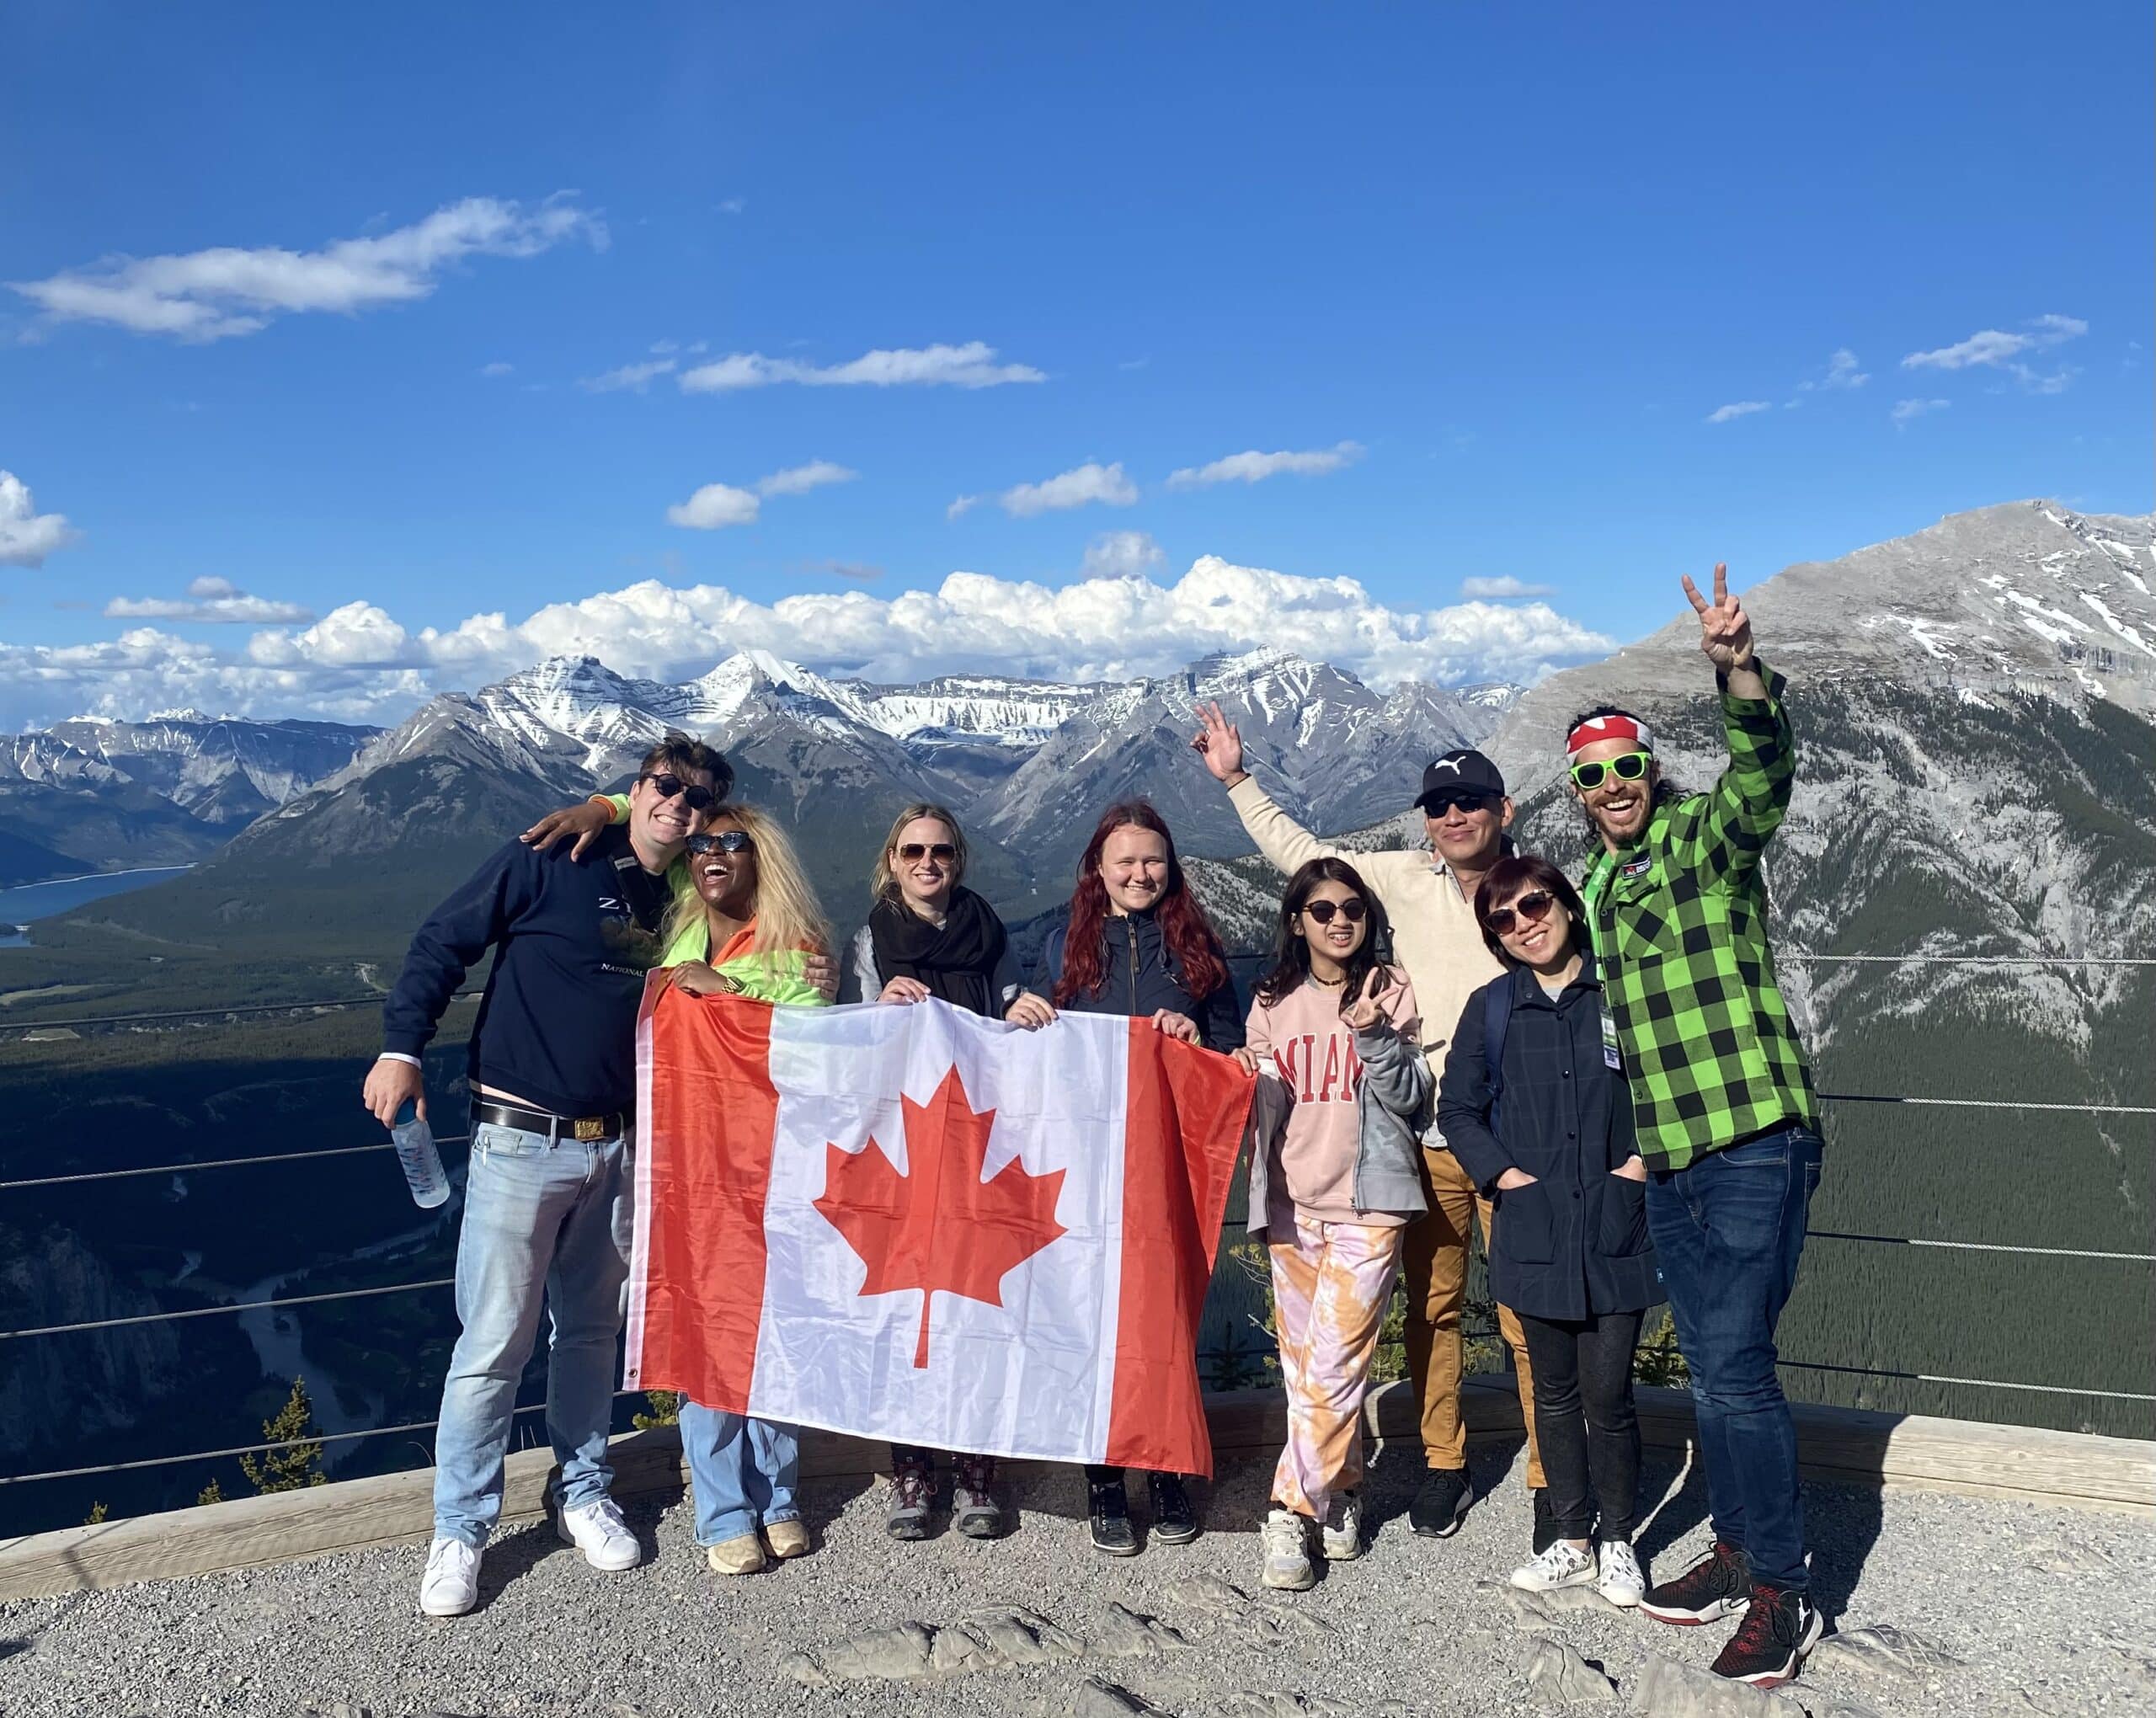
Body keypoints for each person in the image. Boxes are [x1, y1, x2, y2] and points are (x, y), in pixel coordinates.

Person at [362, 733, 724, 1619]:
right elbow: (443, 941)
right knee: (492, 1345)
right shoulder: (549, 856)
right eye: (661, 788)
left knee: (591, 1333)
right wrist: (401, 1047)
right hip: (520, 1137)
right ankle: (460, 1529)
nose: (675, 806)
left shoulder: (682, 891)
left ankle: (582, 1489)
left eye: (694, 799)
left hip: (623, 1142)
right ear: (634, 788)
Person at [1192, 707, 1549, 1548]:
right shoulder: (1400, 877)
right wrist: (1237, 781)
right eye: (1438, 804)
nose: (1453, 815)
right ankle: (1442, 1462)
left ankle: (1549, 1475)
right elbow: (1304, 860)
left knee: (1528, 1312)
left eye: (1470, 800)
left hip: (1522, 1126)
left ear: (1504, 810)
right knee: (1431, 1308)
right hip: (1427, 1127)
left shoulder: (1532, 894)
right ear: (1426, 822)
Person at [1569, 565, 1824, 1689]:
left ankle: (1781, 1581)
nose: (1616, 785)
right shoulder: (1588, 887)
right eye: (1595, 775)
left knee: (1734, 1369)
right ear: (1576, 791)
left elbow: (1763, 776)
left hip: (1755, 1141)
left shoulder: (1702, 845)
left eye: (1628, 766)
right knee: (1721, 1376)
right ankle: (1733, 1547)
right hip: (1669, 1160)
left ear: (1650, 769)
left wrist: (1735, 669)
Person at [1005, 798, 1242, 1555]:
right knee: (1090, 1322)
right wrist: (1023, 1017)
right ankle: (1104, 1476)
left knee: (1164, 1320)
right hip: (1082, 1164)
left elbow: (1234, 1051)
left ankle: (1164, 1465)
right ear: (1098, 871)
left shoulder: (1197, 946)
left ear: (1170, 869)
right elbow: (1027, 1056)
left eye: (1153, 861)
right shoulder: (1060, 946)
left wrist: (1196, 1036)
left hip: (1166, 1163)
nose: (1141, 874)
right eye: (1126, 862)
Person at [1437, 854, 1660, 1611]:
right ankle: (1572, 1538)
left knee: (1610, 1394)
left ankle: (1621, 1539)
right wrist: (1502, 1177)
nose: (1524, 924)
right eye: (1504, 918)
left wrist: (1636, 1167)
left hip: (1613, 1225)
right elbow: (1457, 1108)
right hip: (1533, 1229)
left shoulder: (1624, 995)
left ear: (1566, 905)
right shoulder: (1492, 1007)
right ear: (1495, 935)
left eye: (1535, 905)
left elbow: (1668, 1088)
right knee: (1555, 1395)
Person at [1235, 858, 1429, 1592]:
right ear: (1297, 921)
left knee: (1336, 1363)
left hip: (1370, 1206)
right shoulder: (1272, 999)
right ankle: (1343, 1489)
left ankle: (1290, 1507)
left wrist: (1376, 1035)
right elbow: (1258, 1089)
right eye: (1322, 910)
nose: (1340, 920)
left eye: (1353, 907)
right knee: (1306, 1371)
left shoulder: (1391, 989)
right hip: (1291, 1203)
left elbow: (1412, 1094)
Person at [656, 801, 830, 1575]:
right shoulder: (677, 936)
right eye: (699, 844)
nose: (712, 853)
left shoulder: (798, 948)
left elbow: (808, 1044)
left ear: (762, 857)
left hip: (777, 1167)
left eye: (732, 842)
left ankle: (779, 1493)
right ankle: (723, 1505)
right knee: (707, 1330)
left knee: (775, 1329)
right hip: (693, 1170)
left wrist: (718, 991)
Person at [842, 803, 1023, 1541]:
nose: (928, 863)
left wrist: (1029, 1013)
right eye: (913, 851)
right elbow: (847, 1040)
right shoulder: (869, 940)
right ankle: (913, 1469)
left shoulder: (991, 932)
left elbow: (1011, 1010)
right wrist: (876, 1009)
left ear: (959, 859)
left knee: (978, 1311)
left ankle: (978, 1466)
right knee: (907, 1314)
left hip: (979, 1148)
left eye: (941, 851)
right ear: (892, 860)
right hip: (905, 1155)